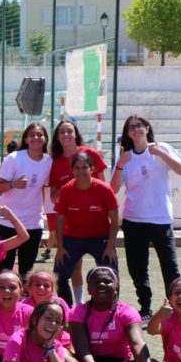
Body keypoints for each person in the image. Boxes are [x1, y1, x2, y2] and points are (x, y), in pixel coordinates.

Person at [109, 115, 181, 322]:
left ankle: (176, 307)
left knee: (170, 267)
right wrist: (119, 164)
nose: (135, 130)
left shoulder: (161, 148)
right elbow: (113, 189)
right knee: (137, 268)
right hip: (134, 220)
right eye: (131, 128)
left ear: (147, 128)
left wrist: (162, 154)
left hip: (161, 219)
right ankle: (145, 308)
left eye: (139, 126)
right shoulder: (125, 157)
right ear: (127, 133)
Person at [66, 267, 157, 362]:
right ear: (89, 289)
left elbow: (137, 342)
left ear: (116, 288)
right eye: (96, 282)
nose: (101, 285)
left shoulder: (127, 312)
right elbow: (81, 348)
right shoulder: (78, 312)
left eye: (107, 282)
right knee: (62, 354)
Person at [45, 121, 107, 301]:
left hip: (97, 222)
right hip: (71, 225)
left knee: (103, 266)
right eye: (62, 132)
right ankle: (78, 303)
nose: (66, 135)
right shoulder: (56, 163)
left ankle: (103, 301)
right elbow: (53, 196)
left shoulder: (91, 154)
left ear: (75, 134)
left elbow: (105, 186)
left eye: (69, 131)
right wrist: (71, 190)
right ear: (57, 137)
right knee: (74, 266)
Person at [53, 152, 119, 305]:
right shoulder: (66, 190)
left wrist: (110, 247)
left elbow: (115, 220)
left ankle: (111, 308)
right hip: (73, 237)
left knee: (111, 272)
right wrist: (60, 247)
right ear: (72, 170)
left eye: (85, 167)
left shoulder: (104, 189)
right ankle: (67, 311)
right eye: (77, 168)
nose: (81, 171)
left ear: (92, 169)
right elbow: (60, 219)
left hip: (100, 237)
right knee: (59, 274)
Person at [0, 122, 52, 280]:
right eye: (32, 135)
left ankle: (24, 303)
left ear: (46, 139)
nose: (35, 138)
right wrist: (13, 184)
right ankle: (1, 303)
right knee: (3, 270)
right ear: (26, 139)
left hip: (32, 223)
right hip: (7, 223)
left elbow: (49, 188)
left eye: (40, 135)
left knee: (26, 271)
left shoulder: (49, 161)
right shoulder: (14, 158)